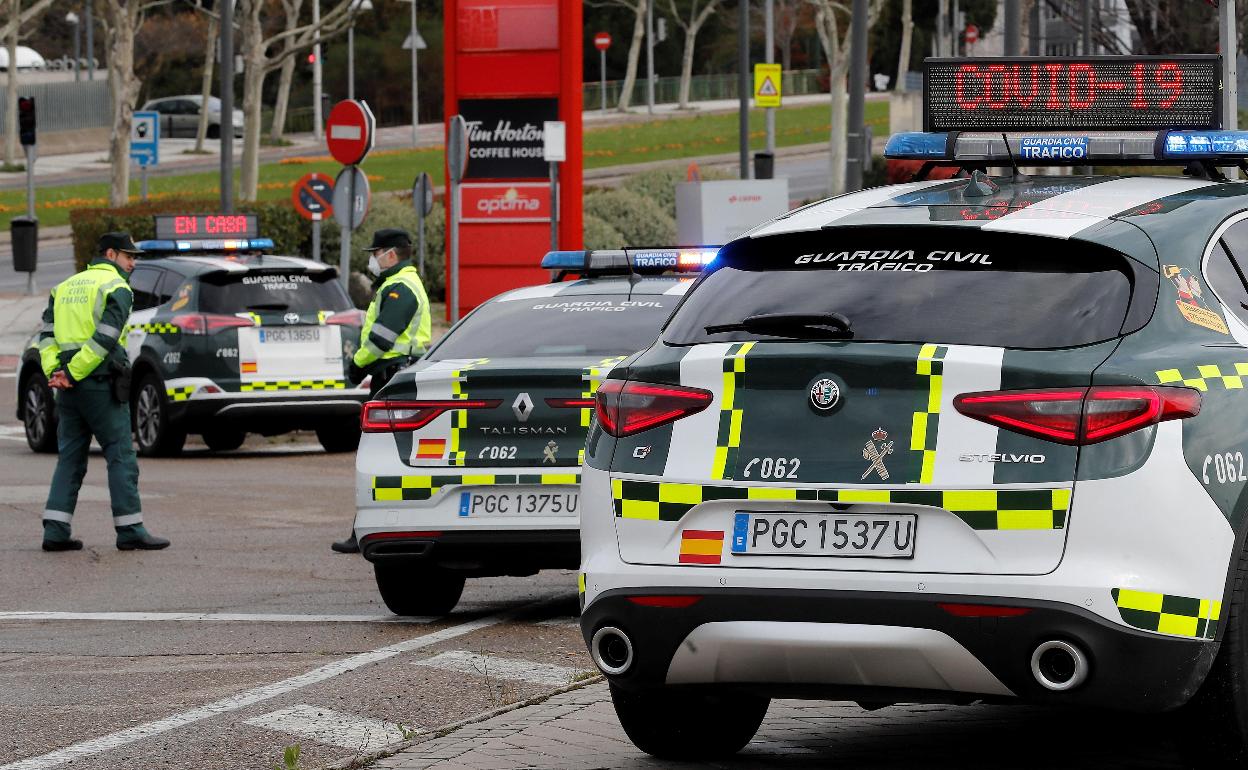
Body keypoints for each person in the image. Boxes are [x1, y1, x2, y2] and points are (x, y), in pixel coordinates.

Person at [39, 233, 170, 552]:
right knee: (120, 455)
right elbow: (105, 339)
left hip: (68, 387)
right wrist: (73, 372)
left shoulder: (64, 287)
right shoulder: (116, 287)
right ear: (111, 254)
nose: (133, 263)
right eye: (129, 256)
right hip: (99, 384)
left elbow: (46, 337)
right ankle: (130, 530)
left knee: (70, 458)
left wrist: (57, 372)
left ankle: (55, 531)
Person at [332, 228, 432, 554]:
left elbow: (381, 339)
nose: (373, 260)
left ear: (390, 254)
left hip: (392, 379)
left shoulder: (400, 287)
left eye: (376, 253)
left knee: (378, 453)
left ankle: (369, 529)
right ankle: (375, 526)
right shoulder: (400, 283)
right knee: (390, 453)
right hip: (397, 377)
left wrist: (357, 365)